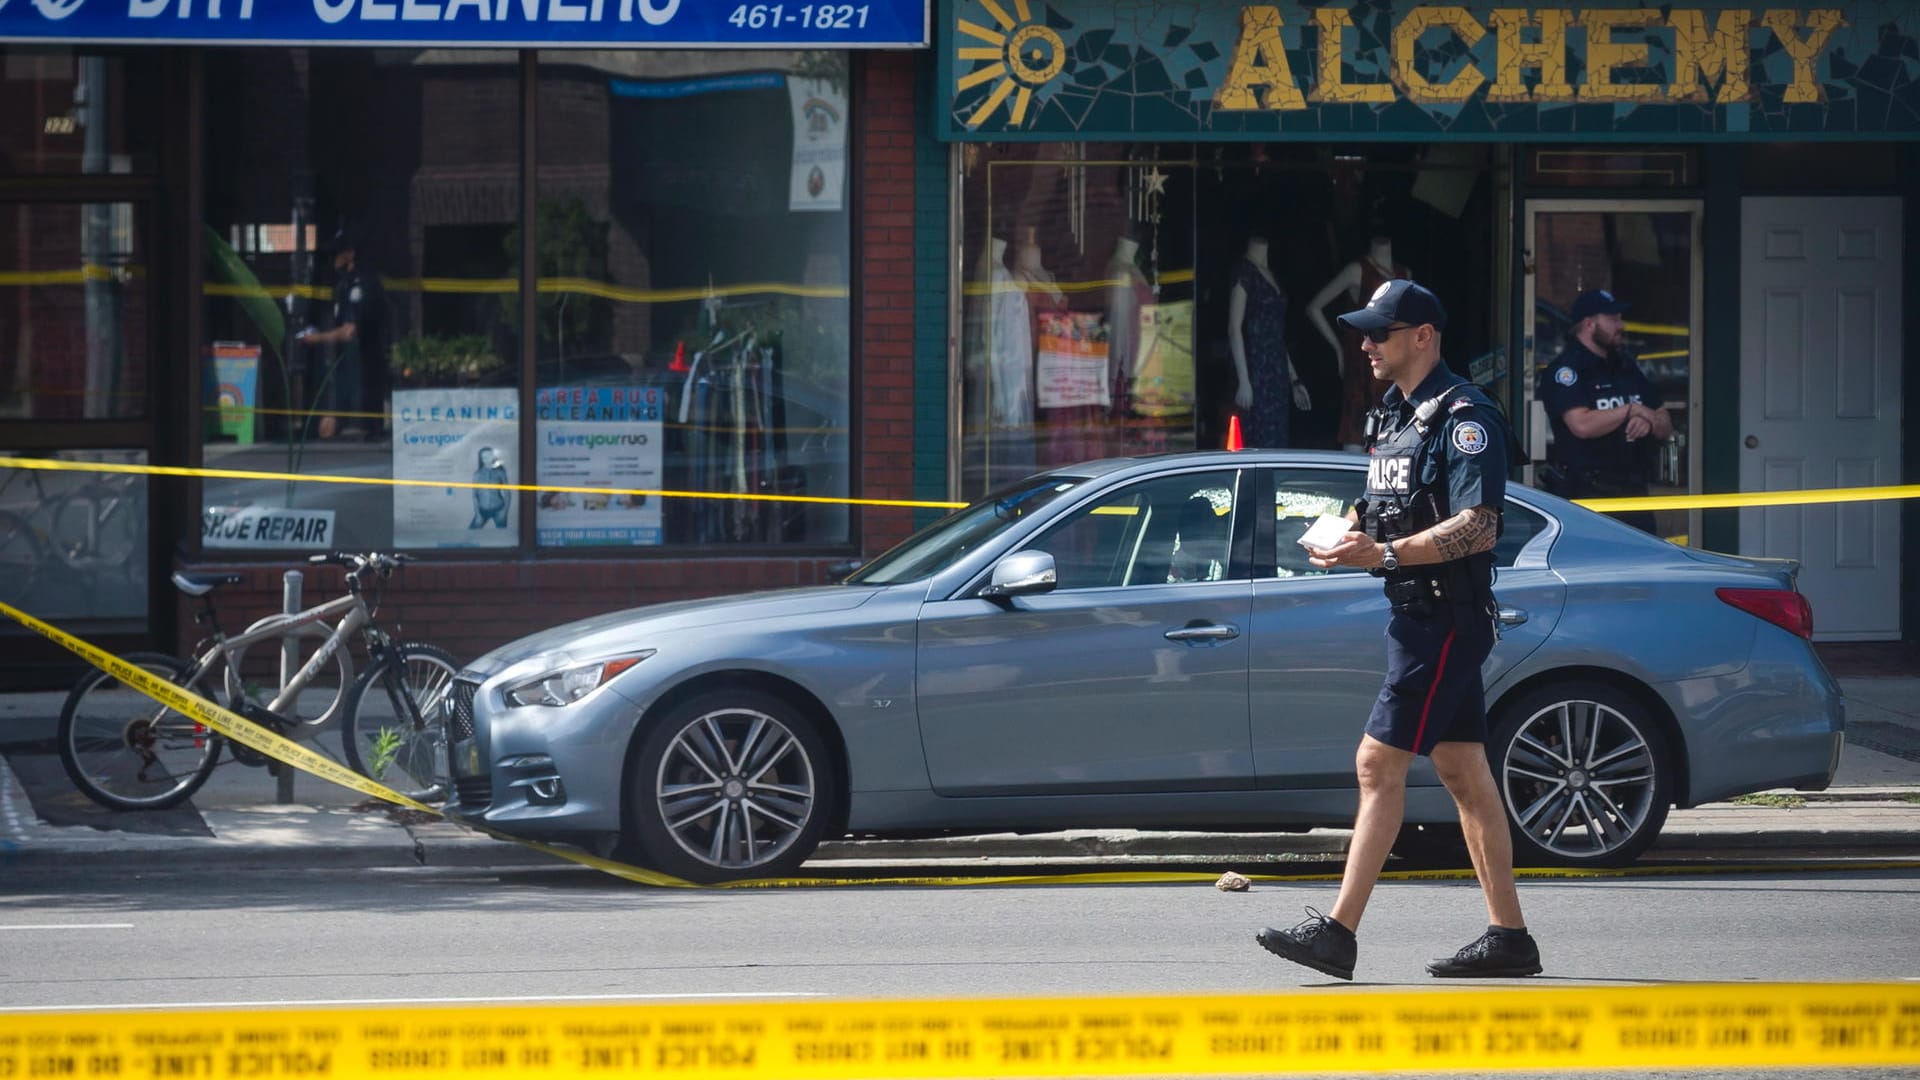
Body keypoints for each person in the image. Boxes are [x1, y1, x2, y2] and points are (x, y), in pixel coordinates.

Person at [1255, 279, 1541, 982]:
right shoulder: (1395, 414)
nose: (1366, 345)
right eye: (1364, 332)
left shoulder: (1465, 416)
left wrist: (1381, 554)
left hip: (1444, 617)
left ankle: (1338, 933)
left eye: (1380, 333)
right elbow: (1384, 498)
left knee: (1376, 764)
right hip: (1415, 612)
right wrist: (1345, 532)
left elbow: (1479, 527)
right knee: (1462, 771)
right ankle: (1510, 937)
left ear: (1424, 337)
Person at [1537, 288, 1672, 535]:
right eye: (1612, 319)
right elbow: (1582, 425)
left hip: (1635, 492)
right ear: (1589, 324)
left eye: (1619, 318)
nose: (1620, 325)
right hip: (1588, 494)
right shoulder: (1567, 370)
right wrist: (1631, 410)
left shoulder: (1625, 366)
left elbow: (1665, 422)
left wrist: (1649, 422)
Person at [1305, 216, 1408, 450]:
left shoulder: (1404, 274)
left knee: (1395, 435)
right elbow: (1314, 307)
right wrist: (1339, 349)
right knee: (1356, 434)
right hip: (1362, 366)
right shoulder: (1358, 270)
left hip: (1395, 368)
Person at [295, 226, 386, 440]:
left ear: (350, 254)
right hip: (350, 366)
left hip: (365, 363)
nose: (333, 260)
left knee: (366, 405)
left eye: (336, 254)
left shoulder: (362, 283)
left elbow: (349, 332)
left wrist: (316, 338)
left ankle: (365, 428)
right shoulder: (344, 282)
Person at [1229, 231, 1310, 448]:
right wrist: (1243, 380)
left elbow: (1276, 335)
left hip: (1277, 370)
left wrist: (1294, 379)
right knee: (1259, 440)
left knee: (1278, 440)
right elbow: (1234, 328)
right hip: (1256, 369)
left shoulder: (1270, 273)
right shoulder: (1245, 273)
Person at [470, 446, 509, 529]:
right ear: (481, 459)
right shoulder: (477, 474)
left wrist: (504, 512)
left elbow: (507, 493)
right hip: (482, 510)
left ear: (493, 457)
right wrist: (477, 514)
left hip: (499, 508)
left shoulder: (500, 472)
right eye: (484, 457)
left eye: (489, 456)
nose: (487, 459)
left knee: (502, 536)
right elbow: (474, 496)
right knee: (471, 532)